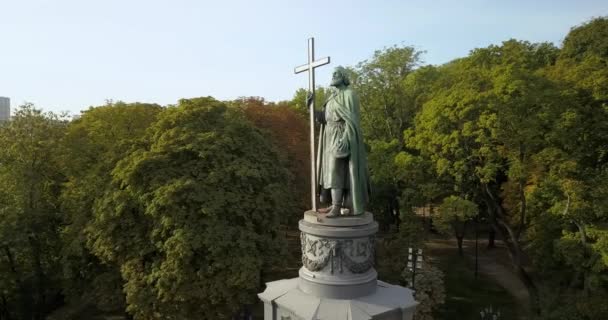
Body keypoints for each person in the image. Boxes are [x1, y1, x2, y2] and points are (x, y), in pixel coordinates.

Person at [314, 66, 370, 217]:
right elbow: (323, 118)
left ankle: (337, 207)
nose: (333, 75)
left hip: (342, 135)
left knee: (335, 171)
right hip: (329, 136)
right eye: (332, 73)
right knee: (329, 171)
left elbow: (352, 120)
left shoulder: (349, 94)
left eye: (337, 73)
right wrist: (311, 106)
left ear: (344, 77)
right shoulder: (331, 98)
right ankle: (333, 203)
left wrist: (346, 137)